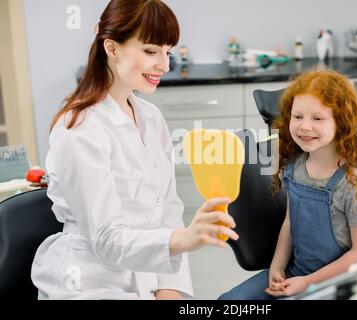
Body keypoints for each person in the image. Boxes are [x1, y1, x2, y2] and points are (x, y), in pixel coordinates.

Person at [31, 0, 238, 300]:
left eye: (167, 51)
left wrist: (170, 289)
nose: (164, 65)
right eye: (151, 51)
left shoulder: (151, 118)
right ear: (112, 48)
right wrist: (182, 240)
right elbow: (106, 240)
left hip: (149, 276)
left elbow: (167, 210)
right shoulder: (78, 129)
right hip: (90, 280)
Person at [219, 69, 357, 300]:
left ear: (341, 123)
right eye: (298, 116)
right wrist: (277, 267)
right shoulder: (295, 167)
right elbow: (290, 223)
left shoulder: (352, 184)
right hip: (296, 273)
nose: (304, 126)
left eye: (318, 118)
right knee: (229, 302)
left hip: (337, 284)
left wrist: (307, 283)